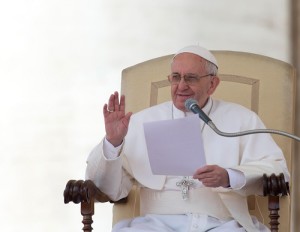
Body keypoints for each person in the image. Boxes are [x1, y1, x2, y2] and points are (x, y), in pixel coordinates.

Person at [85, 45, 289, 232]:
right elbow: (110, 188)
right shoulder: (139, 122)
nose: (181, 86)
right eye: (176, 77)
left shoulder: (242, 119)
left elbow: (278, 170)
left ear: (212, 84)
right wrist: (113, 143)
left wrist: (229, 176)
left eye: (190, 78)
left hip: (222, 223)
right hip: (156, 224)